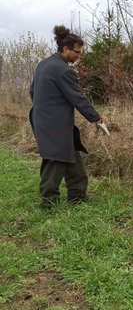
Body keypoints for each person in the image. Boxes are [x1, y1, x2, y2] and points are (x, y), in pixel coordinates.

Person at [29, 25, 104, 209]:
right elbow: (77, 97)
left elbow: (32, 91)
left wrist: (44, 108)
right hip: (55, 125)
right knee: (55, 160)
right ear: (65, 49)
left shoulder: (44, 64)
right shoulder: (64, 70)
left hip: (44, 120)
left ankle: (77, 196)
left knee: (71, 155)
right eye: (77, 52)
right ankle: (48, 203)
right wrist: (95, 117)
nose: (79, 56)